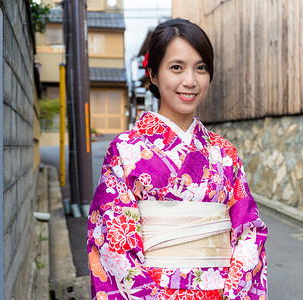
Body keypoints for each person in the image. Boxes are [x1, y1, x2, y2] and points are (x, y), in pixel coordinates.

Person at [87, 18, 268, 300]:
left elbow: (248, 232)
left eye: (201, 68)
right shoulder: (126, 150)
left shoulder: (225, 153)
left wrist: (232, 293)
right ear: (153, 74)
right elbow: (113, 239)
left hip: (219, 293)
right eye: (176, 67)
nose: (190, 81)